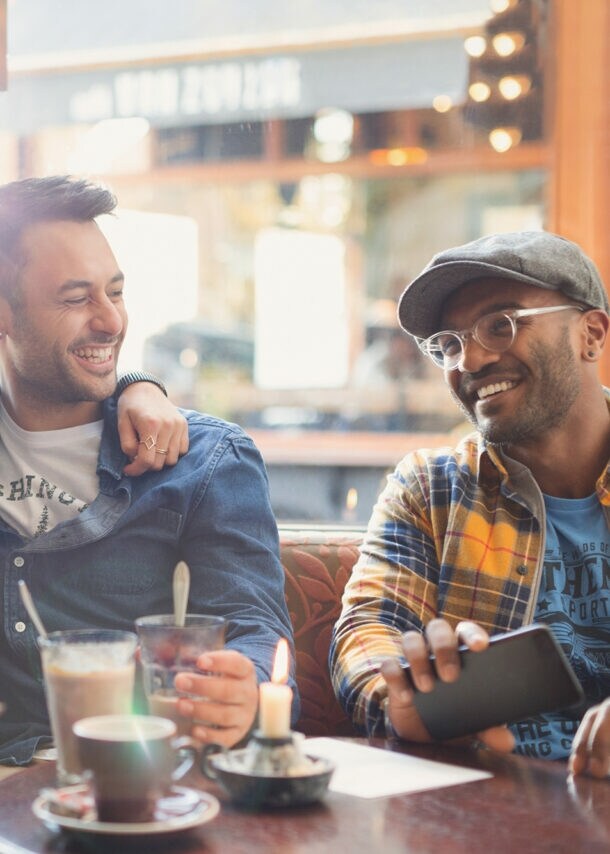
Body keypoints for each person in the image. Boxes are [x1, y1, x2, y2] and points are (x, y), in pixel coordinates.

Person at [0, 175, 296, 765]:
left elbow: (255, 632)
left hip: (139, 782)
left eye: (115, 291)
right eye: (75, 297)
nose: (111, 322)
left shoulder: (204, 462)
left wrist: (246, 689)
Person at [331, 231, 610, 778]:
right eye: (449, 344)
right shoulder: (430, 488)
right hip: (490, 800)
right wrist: (400, 703)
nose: (471, 360)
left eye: (499, 325)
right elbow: (369, 629)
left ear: (592, 335)